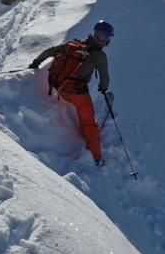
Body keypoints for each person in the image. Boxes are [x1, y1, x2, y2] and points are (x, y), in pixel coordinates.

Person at [29, 20, 114, 166]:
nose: (105, 41)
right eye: (105, 38)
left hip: (58, 87)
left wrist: (36, 62)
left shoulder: (73, 45)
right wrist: (103, 88)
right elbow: (105, 79)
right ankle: (97, 157)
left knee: (81, 107)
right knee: (90, 123)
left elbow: (50, 51)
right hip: (75, 93)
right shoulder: (99, 56)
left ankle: (85, 134)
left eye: (106, 38)